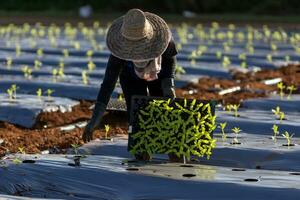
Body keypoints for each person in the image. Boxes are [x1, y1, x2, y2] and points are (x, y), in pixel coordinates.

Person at [82, 8, 179, 161]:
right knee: (137, 114)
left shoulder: (163, 40)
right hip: (130, 76)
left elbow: (170, 62)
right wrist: (96, 118)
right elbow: (108, 85)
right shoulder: (119, 53)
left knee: (164, 111)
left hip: (158, 73)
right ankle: (142, 155)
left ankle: (174, 153)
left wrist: (169, 85)